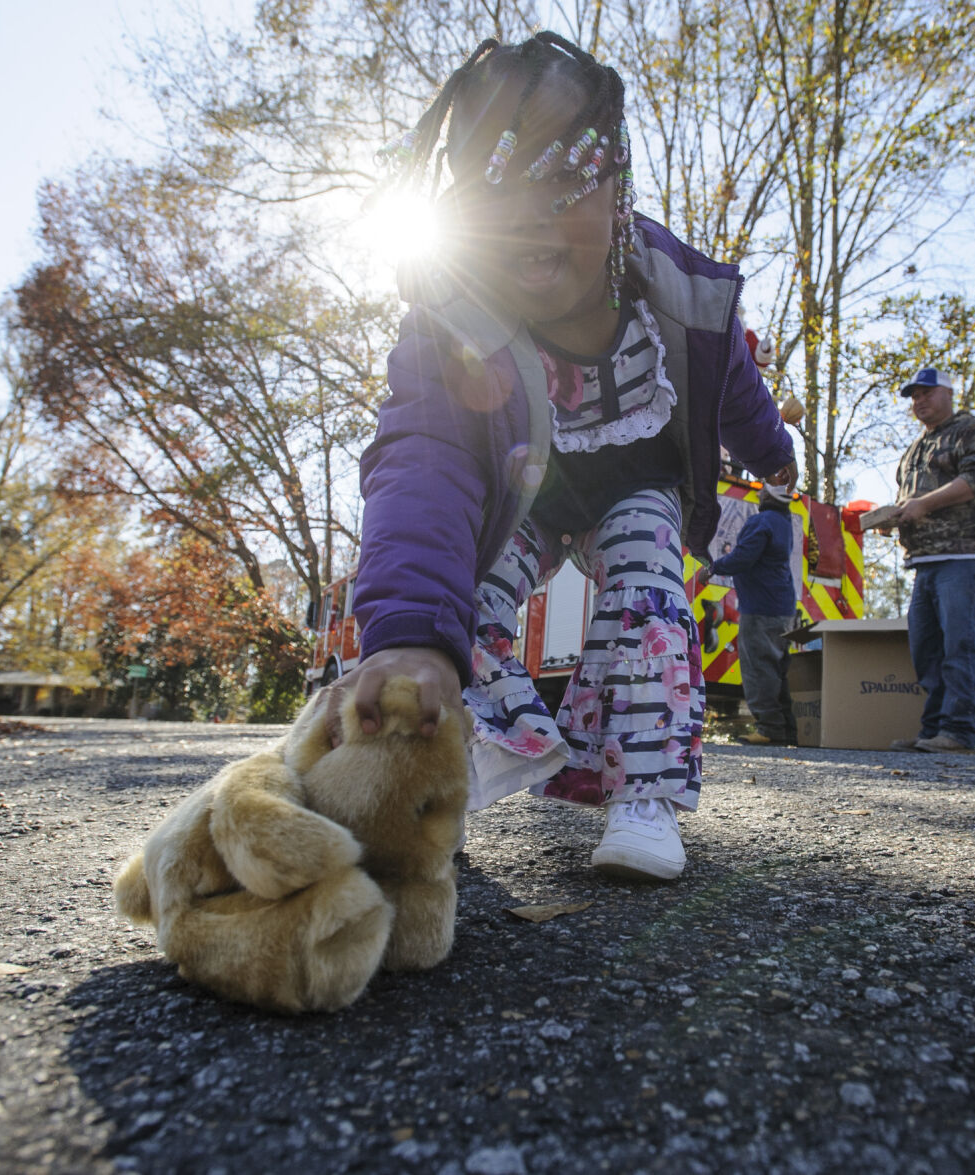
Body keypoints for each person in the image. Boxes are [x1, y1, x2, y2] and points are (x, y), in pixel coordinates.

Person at [338, 33, 796, 882]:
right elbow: (423, 459)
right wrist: (404, 635)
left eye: (560, 178)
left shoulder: (686, 297)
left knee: (648, 582)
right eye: (491, 185)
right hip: (526, 489)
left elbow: (739, 396)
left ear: (618, 185)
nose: (524, 217)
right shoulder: (450, 321)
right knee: (458, 601)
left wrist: (774, 457)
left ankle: (644, 791)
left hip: (640, 481)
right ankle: (448, 775)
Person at [869, 369, 975, 754]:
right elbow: (908, 497)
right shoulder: (914, 449)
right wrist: (892, 519)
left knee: (960, 643)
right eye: (914, 396)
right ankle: (933, 731)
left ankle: (959, 731)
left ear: (948, 392)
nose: (919, 401)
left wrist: (923, 504)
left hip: (965, 554)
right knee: (926, 648)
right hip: (924, 560)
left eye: (927, 393)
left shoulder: (971, 430)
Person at [702, 466, 800, 746]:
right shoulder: (784, 522)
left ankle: (769, 728)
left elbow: (743, 558)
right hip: (782, 608)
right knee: (777, 670)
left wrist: (713, 567)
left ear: (766, 496)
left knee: (759, 669)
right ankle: (785, 730)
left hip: (761, 608)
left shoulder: (763, 522)